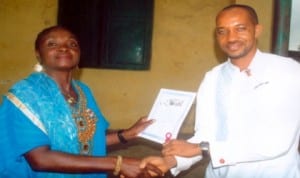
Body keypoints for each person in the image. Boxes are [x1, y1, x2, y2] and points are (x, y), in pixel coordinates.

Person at [141, 4, 300, 178]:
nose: (231, 38)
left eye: (240, 29)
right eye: (222, 31)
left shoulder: (287, 71)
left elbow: (276, 142)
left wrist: (201, 148)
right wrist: (172, 161)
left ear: (257, 30)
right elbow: (205, 135)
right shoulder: (213, 78)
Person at [0, 25, 162, 178]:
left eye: (72, 43)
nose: (64, 48)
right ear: (38, 54)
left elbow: (89, 140)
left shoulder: (83, 91)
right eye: (52, 44)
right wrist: (117, 163)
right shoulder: (24, 95)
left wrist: (127, 134)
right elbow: (40, 158)